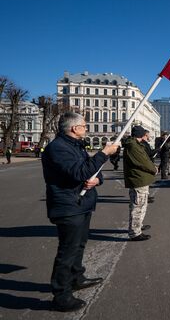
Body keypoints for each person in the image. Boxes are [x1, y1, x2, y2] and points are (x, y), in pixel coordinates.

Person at [42, 112, 119, 312]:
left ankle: (77, 277)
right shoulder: (58, 148)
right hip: (68, 205)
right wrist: (104, 153)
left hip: (81, 203)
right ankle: (61, 295)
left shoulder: (76, 146)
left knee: (79, 245)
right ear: (74, 128)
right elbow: (79, 172)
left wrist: (97, 180)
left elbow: (92, 171)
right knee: (67, 251)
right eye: (84, 126)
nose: (86, 128)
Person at [123, 125, 157, 242]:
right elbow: (143, 162)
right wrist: (154, 169)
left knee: (141, 205)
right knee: (138, 206)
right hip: (138, 179)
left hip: (140, 179)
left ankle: (138, 225)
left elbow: (145, 159)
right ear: (142, 135)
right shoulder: (133, 146)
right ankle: (135, 232)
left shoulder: (136, 144)